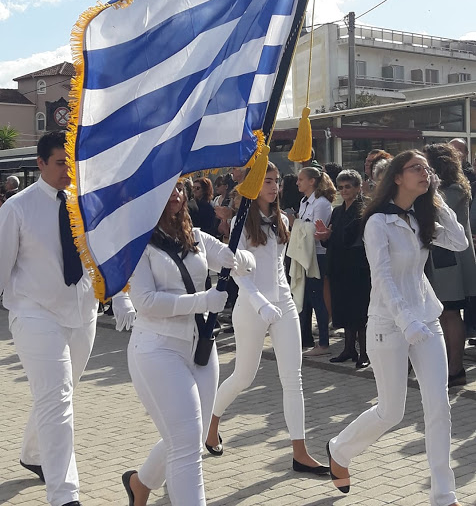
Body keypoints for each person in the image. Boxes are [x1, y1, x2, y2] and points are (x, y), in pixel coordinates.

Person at [0, 130, 135, 506]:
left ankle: (32, 454)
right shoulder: (16, 209)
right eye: (60, 163)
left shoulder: (87, 202)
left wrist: (120, 296)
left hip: (82, 313)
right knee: (58, 398)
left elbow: (106, 253)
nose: (67, 170)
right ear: (41, 163)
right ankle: (65, 495)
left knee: (58, 394)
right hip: (33, 314)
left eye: (71, 163)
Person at [325, 150, 467, 506]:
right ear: (398, 178)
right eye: (416, 168)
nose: (425, 172)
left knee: (438, 405)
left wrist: (436, 200)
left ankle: (443, 493)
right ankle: (340, 449)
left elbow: (460, 241)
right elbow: (383, 278)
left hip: (427, 317)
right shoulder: (377, 222)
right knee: (392, 410)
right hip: (389, 322)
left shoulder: (422, 216)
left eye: (427, 168)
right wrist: (405, 320)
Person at [122, 181, 254, 506]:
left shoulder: (193, 235)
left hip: (201, 347)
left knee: (188, 439)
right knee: (185, 443)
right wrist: (202, 301)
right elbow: (146, 301)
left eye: (179, 188)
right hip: (157, 349)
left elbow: (225, 255)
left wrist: (243, 258)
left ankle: (141, 484)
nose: (175, 195)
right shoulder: (137, 244)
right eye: (166, 188)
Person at [205, 162, 329, 476]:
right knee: (244, 377)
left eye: (275, 181)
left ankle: (300, 453)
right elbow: (237, 272)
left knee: (293, 378)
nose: (274, 187)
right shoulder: (242, 222)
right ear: (253, 185)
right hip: (251, 305)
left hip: (283, 304)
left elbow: (279, 268)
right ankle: (211, 422)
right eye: (266, 181)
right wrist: (259, 303)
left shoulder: (282, 218)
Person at [424, 143, 476, 387]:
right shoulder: (449, 188)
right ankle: (448, 366)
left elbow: (435, 213)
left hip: (451, 262)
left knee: (451, 313)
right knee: (444, 314)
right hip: (444, 260)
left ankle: (456, 368)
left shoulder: (453, 190)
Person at [315, 170, 371, 368]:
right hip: (339, 265)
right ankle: (349, 349)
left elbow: (352, 238)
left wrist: (332, 235)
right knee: (344, 309)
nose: (344, 191)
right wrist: (326, 236)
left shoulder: (364, 209)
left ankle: (365, 353)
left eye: (348, 186)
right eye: (341, 187)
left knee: (360, 310)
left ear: (357, 187)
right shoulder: (337, 211)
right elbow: (334, 240)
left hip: (358, 266)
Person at [296, 167, 335, 354]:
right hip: (303, 254)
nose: (298, 183)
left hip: (317, 255)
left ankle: (324, 343)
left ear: (312, 181)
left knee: (317, 297)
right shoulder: (304, 201)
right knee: (306, 297)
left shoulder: (321, 203)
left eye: (301, 179)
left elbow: (314, 231)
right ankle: (306, 338)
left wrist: (296, 225)